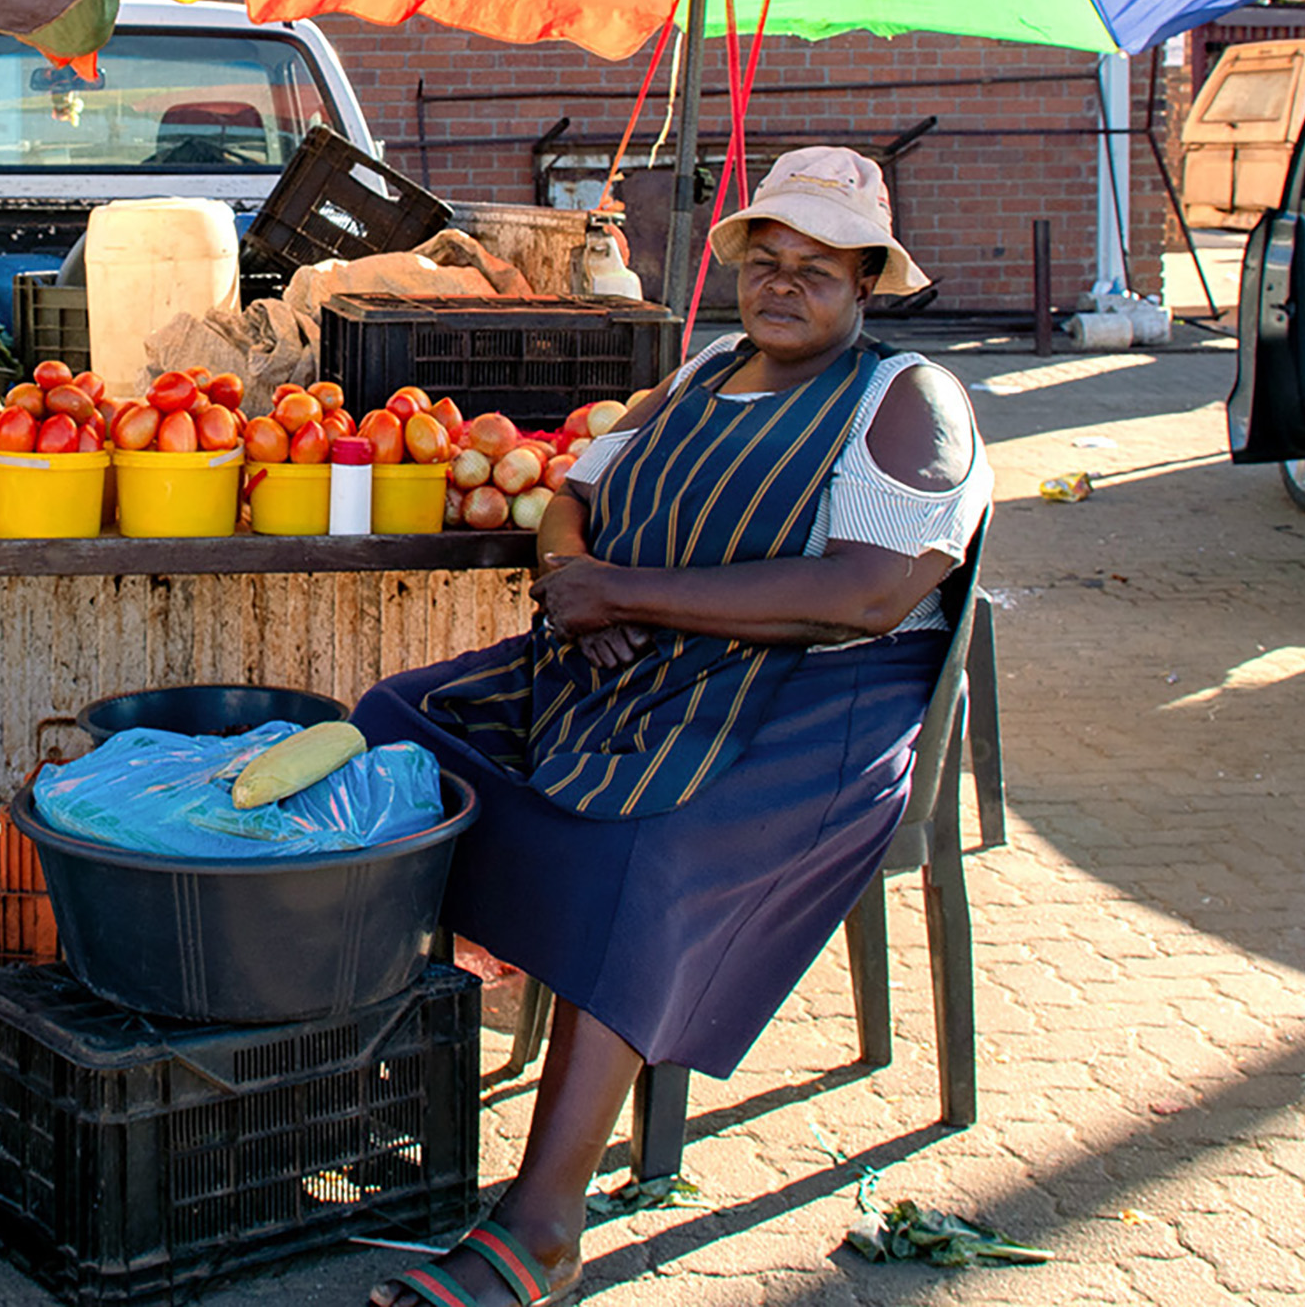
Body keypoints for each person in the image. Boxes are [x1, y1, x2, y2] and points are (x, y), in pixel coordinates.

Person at [355, 147, 990, 1307]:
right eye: (766, 258)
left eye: (817, 268)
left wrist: (624, 595)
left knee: (638, 850)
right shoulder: (700, 369)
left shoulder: (905, 401)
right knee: (397, 729)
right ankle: (377, 1082)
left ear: (865, 285)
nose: (782, 284)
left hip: (815, 708)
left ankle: (543, 1222)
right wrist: (578, 576)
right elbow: (573, 495)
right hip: (634, 659)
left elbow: (862, 591)